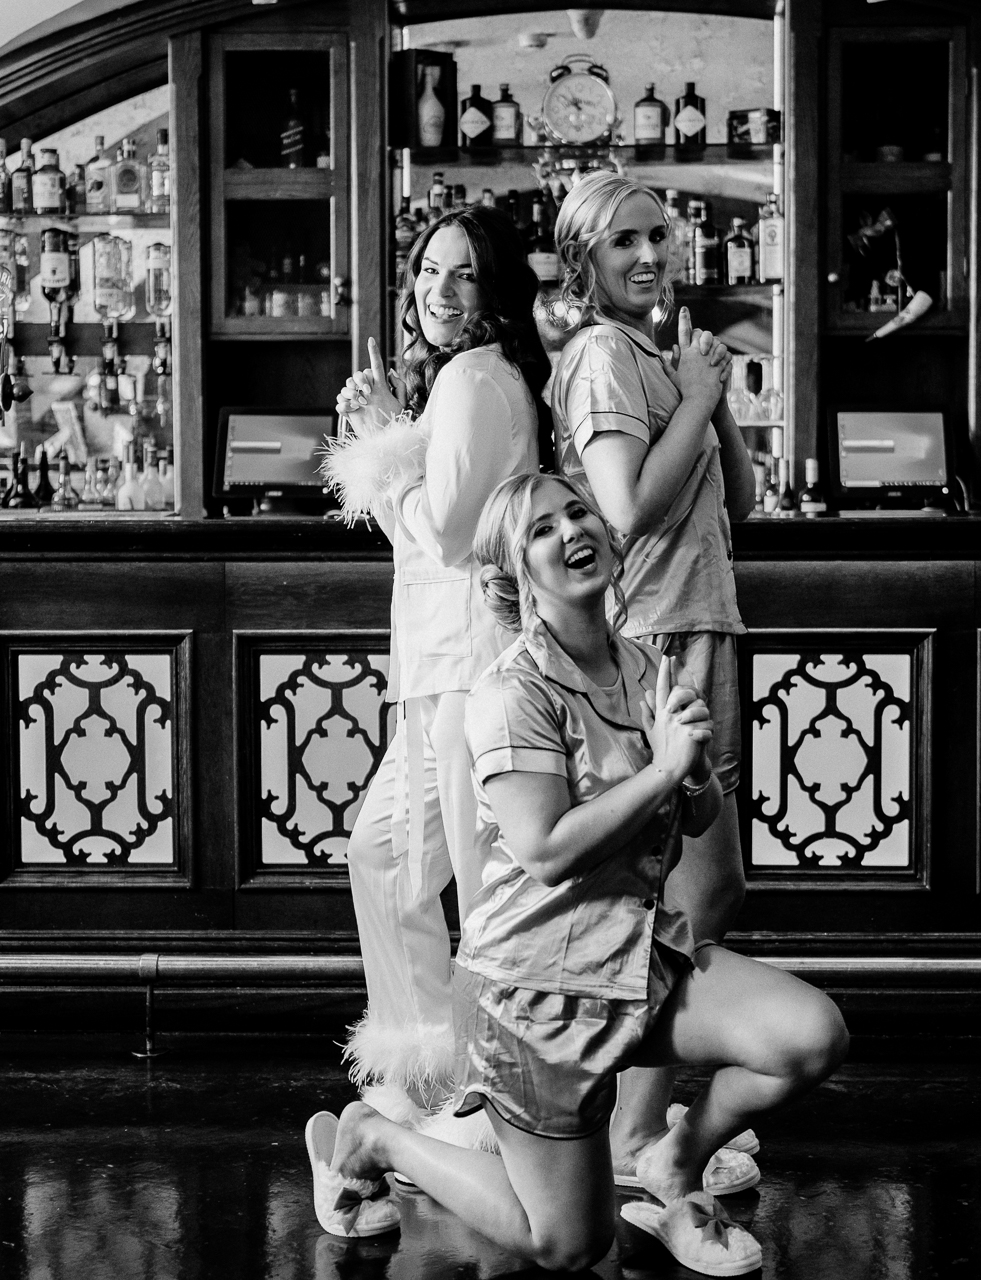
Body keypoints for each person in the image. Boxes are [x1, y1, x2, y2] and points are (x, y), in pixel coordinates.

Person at [303, 473, 847, 1275]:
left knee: (810, 1037)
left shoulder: (642, 663)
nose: (570, 531)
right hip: (530, 994)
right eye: (540, 530)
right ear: (515, 574)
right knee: (570, 1243)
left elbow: (692, 821)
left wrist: (691, 770)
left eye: (576, 511)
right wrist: (663, 772)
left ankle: (671, 1162)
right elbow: (545, 849)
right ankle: (379, 1137)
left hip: (632, 954)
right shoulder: (510, 691)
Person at [546, 170, 760, 1189]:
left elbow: (743, 500)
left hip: (700, 623)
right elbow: (625, 508)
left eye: (658, 237)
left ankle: (644, 1118)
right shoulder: (596, 356)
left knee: (696, 885)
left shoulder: (656, 355)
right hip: (657, 637)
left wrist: (709, 396)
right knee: (687, 887)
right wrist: (701, 393)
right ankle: (635, 1132)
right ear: (584, 260)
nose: (647, 256)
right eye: (623, 241)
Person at [321, 205, 553, 1141]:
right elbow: (439, 519)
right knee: (383, 857)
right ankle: (432, 1070)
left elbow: (451, 535)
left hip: (469, 670)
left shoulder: (472, 378)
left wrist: (385, 447)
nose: (438, 290)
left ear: (495, 292)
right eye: (428, 270)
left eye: (463, 274)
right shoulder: (464, 385)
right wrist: (394, 441)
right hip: (441, 667)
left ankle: (487, 1093)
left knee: (479, 883)